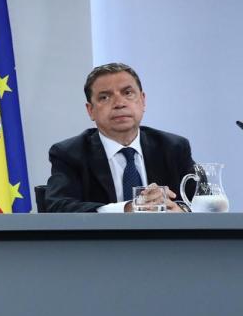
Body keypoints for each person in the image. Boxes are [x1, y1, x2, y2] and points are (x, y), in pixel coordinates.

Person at [45, 62, 195, 213]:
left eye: (128, 93)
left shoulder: (173, 147)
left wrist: (180, 210)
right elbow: (58, 207)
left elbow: (203, 200)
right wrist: (127, 208)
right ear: (91, 110)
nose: (119, 103)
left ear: (143, 101)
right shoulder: (69, 154)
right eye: (104, 97)